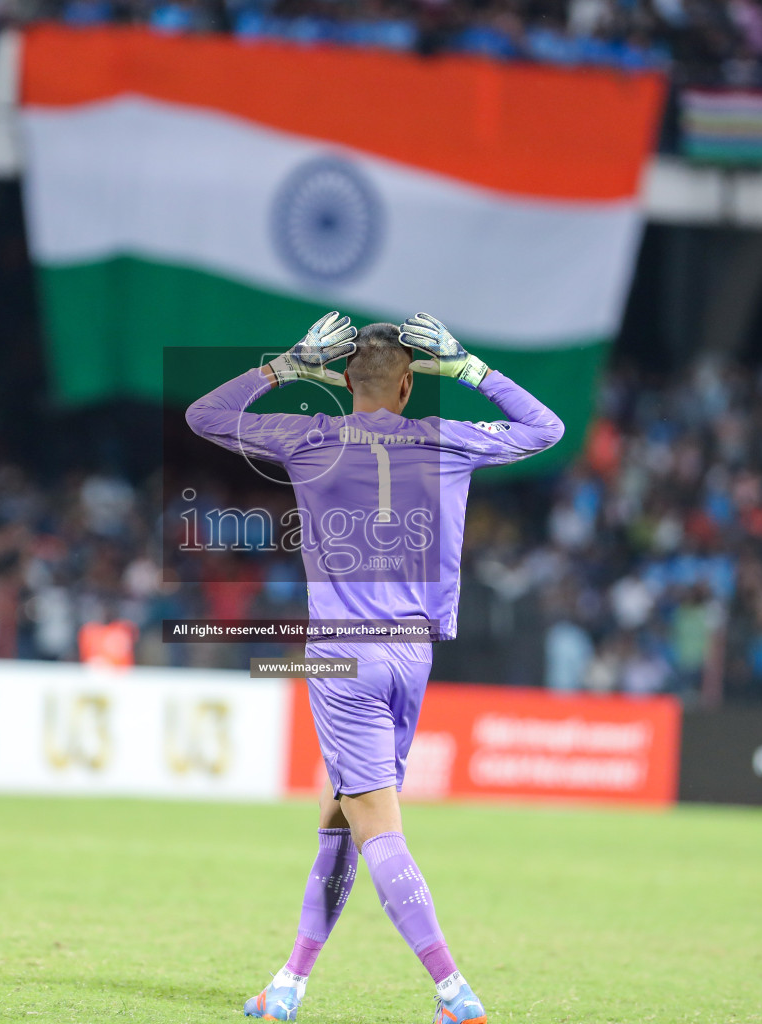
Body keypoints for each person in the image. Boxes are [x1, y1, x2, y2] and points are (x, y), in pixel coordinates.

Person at [186, 312, 564, 1023]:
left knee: (377, 828)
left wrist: (286, 366)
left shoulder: (310, 437)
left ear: (344, 381)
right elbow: (547, 430)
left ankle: (453, 992)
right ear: (408, 385)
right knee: (342, 814)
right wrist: (470, 368)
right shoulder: (446, 439)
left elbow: (205, 415)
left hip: (342, 654)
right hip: (410, 653)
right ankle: (289, 984)